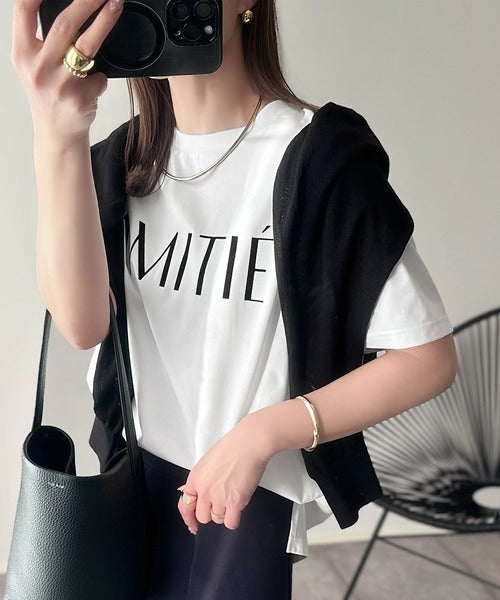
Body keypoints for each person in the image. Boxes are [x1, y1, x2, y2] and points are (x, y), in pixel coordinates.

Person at [12, 0, 458, 598]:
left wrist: (263, 433)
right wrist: (56, 131)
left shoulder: (317, 159)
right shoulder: (121, 161)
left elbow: (428, 358)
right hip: (126, 477)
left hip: (245, 497)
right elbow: (81, 325)